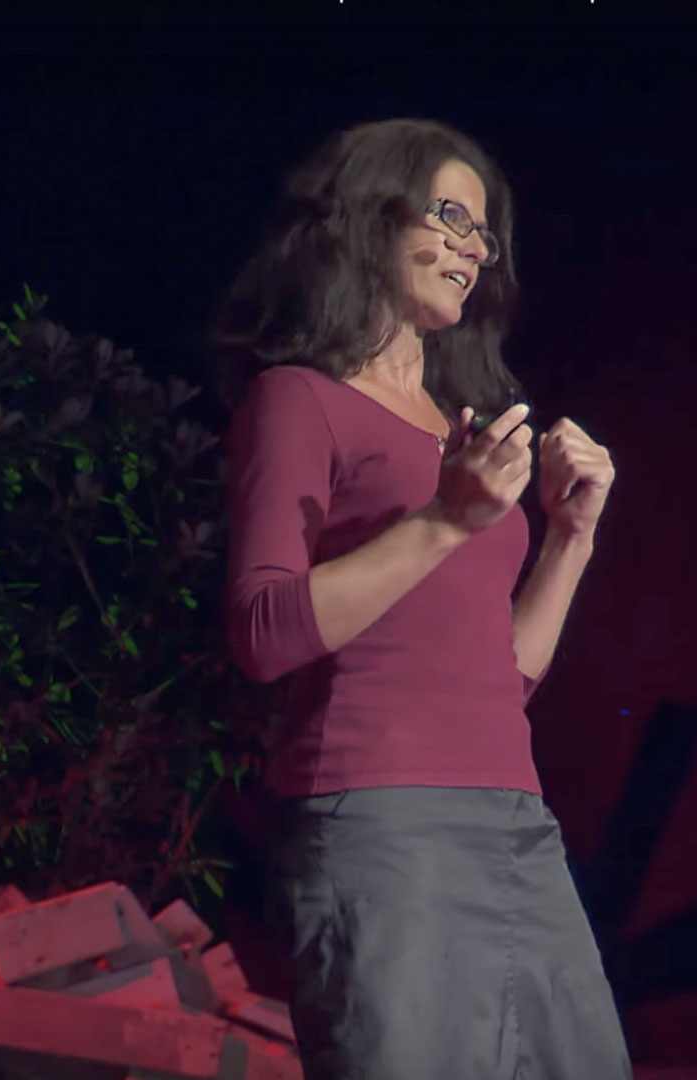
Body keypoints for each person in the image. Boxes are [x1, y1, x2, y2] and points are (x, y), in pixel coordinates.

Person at [212, 118, 627, 1079]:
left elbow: (502, 676)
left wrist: (571, 536)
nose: (473, 249)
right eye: (450, 216)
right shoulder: (298, 400)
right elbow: (264, 632)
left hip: (515, 820)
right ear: (368, 217)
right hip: (382, 825)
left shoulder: (463, 432)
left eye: (484, 234)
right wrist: (445, 522)